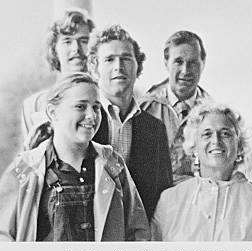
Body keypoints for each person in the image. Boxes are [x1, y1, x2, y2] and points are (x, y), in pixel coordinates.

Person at [0, 73, 150, 241]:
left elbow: (138, 232)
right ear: (52, 113)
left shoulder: (113, 163)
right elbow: (3, 239)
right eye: (80, 106)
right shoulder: (25, 167)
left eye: (96, 107)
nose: (92, 116)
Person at [151, 103, 252, 241]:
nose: (216, 141)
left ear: (240, 145)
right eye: (207, 134)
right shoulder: (170, 199)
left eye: (225, 134)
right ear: (194, 146)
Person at [87, 25, 173, 220]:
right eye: (109, 59)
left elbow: (163, 195)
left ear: (138, 66)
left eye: (126, 58)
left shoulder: (155, 129)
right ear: (94, 66)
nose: (118, 66)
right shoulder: (82, 121)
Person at [139, 31, 213, 184]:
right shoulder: (143, 108)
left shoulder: (213, 114)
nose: (186, 71)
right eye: (178, 62)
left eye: (193, 62)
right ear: (166, 62)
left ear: (203, 63)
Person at [21, 9, 95, 144]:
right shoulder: (34, 105)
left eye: (83, 41)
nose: (76, 49)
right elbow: (29, 159)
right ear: (54, 48)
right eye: (67, 41)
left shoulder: (102, 100)